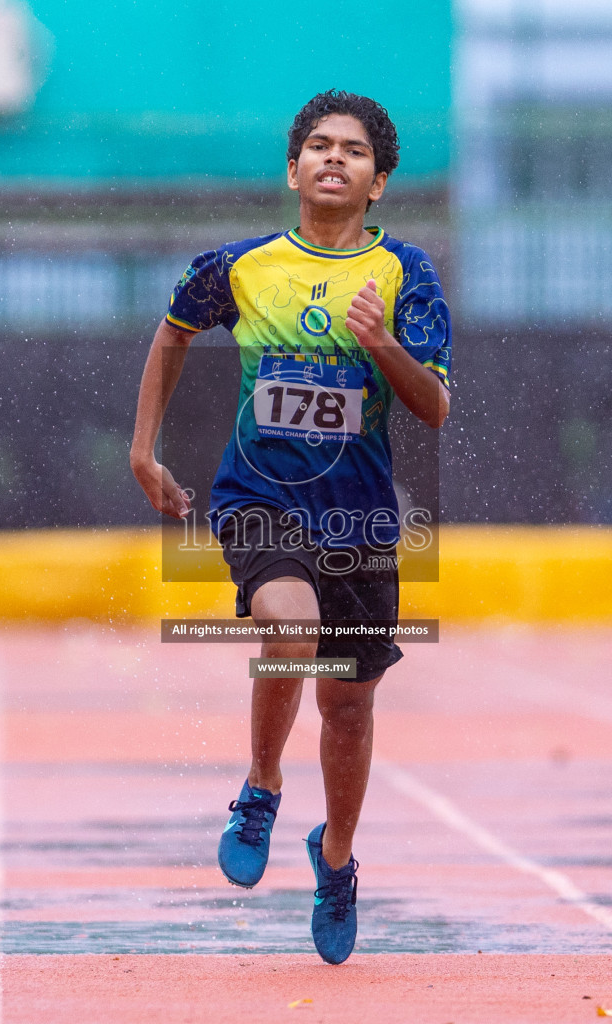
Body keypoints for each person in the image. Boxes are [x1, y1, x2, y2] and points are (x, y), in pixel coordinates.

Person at [130, 89, 451, 964]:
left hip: (356, 518)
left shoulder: (405, 276)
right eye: (318, 145)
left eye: (353, 150)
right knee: (290, 627)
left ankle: (337, 861)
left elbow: (434, 405)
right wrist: (143, 450)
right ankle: (263, 785)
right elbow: (171, 334)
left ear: (378, 182)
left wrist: (381, 344)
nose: (333, 158)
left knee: (347, 709)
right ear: (293, 168)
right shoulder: (241, 267)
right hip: (258, 499)